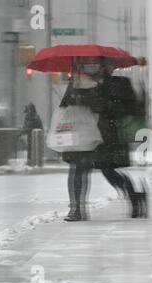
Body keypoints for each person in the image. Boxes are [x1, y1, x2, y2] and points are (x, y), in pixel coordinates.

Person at [59, 56, 147, 222]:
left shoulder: (119, 83)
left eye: (98, 65)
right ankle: (76, 209)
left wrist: (98, 99)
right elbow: (64, 106)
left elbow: (126, 108)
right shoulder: (77, 82)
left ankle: (134, 195)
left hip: (107, 135)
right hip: (81, 133)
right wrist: (77, 93)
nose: (94, 68)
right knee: (78, 168)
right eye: (89, 64)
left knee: (108, 170)